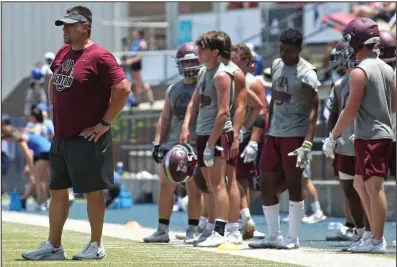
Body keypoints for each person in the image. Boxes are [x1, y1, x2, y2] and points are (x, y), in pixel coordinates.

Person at [22, 6, 130, 261]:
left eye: (70, 25)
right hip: (61, 136)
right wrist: (53, 107)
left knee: (93, 191)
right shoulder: (63, 52)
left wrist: (105, 123)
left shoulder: (101, 56)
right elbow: (53, 80)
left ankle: (96, 245)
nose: (65, 30)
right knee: (57, 190)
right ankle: (54, 245)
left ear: (85, 27)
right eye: (64, 25)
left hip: (88, 137)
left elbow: (123, 88)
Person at [323, 18, 395, 254]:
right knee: (359, 183)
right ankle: (369, 235)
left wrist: (333, 136)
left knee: (374, 188)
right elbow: (393, 104)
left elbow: (349, 109)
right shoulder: (386, 68)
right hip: (378, 133)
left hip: (370, 135)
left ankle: (376, 239)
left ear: (357, 40)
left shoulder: (359, 72)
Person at [249, 28, 320, 250]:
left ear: (299, 49)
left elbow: (313, 111)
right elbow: (273, 102)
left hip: (295, 134)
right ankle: (273, 235)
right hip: (274, 134)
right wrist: (268, 129)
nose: (284, 54)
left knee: (294, 184)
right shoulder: (277, 65)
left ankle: (293, 237)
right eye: (281, 49)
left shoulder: (308, 73)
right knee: (265, 182)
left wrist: (308, 142)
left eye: (288, 50)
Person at [143, 42, 203, 244]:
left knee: (195, 189)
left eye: (194, 61)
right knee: (165, 186)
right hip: (171, 144)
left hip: (194, 144)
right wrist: (158, 142)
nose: (190, 66)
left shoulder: (205, 85)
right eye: (186, 62)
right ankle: (162, 229)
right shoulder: (173, 88)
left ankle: (193, 229)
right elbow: (165, 117)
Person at [180, 31, 234, 247]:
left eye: (202, 49)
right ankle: (211, 227)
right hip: (203, 133)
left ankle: (221, 232)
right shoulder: (203, 72)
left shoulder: (222, 75)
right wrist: (185, 126)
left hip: (218, 134)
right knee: (208, 185)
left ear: (215, 52)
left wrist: (212, 143)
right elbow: (194, 102)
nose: (198, 52)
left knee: (218, 183)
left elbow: (223, 113)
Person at [231, 43, 268, 239]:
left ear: (246, 61)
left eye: (236, 57)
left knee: (245, 180)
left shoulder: (252, 83)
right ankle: (241, 218)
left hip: (248, 138)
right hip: (237, 135)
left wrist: (249, 135)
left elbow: (261, 111)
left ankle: (244, 217)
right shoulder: (229, 78)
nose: (232, 60)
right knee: (237, 179)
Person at [2, 125, 51, 211]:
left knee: (38, 179)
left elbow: (28, 154)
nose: (6, 141)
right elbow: (32, 151)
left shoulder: (20, 139)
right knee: (44, 179)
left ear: (8, 136)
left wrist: (32, 171)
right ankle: (44, 203)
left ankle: (40, 203)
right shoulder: (24, 133)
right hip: (50, 150)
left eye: (5, 139)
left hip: (43, 153)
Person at [124, 29, 154, 106]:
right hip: (133, 65)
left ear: (139, 34)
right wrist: (128, 60)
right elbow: (132, 53)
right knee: (136, 83)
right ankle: (137, 101)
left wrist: (131, 61)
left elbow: (140, 56)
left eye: (136, 33)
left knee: (140, 82)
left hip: (138, 65)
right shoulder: (135, 43)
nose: (134, 34)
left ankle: (150, 99)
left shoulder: (142, 43)